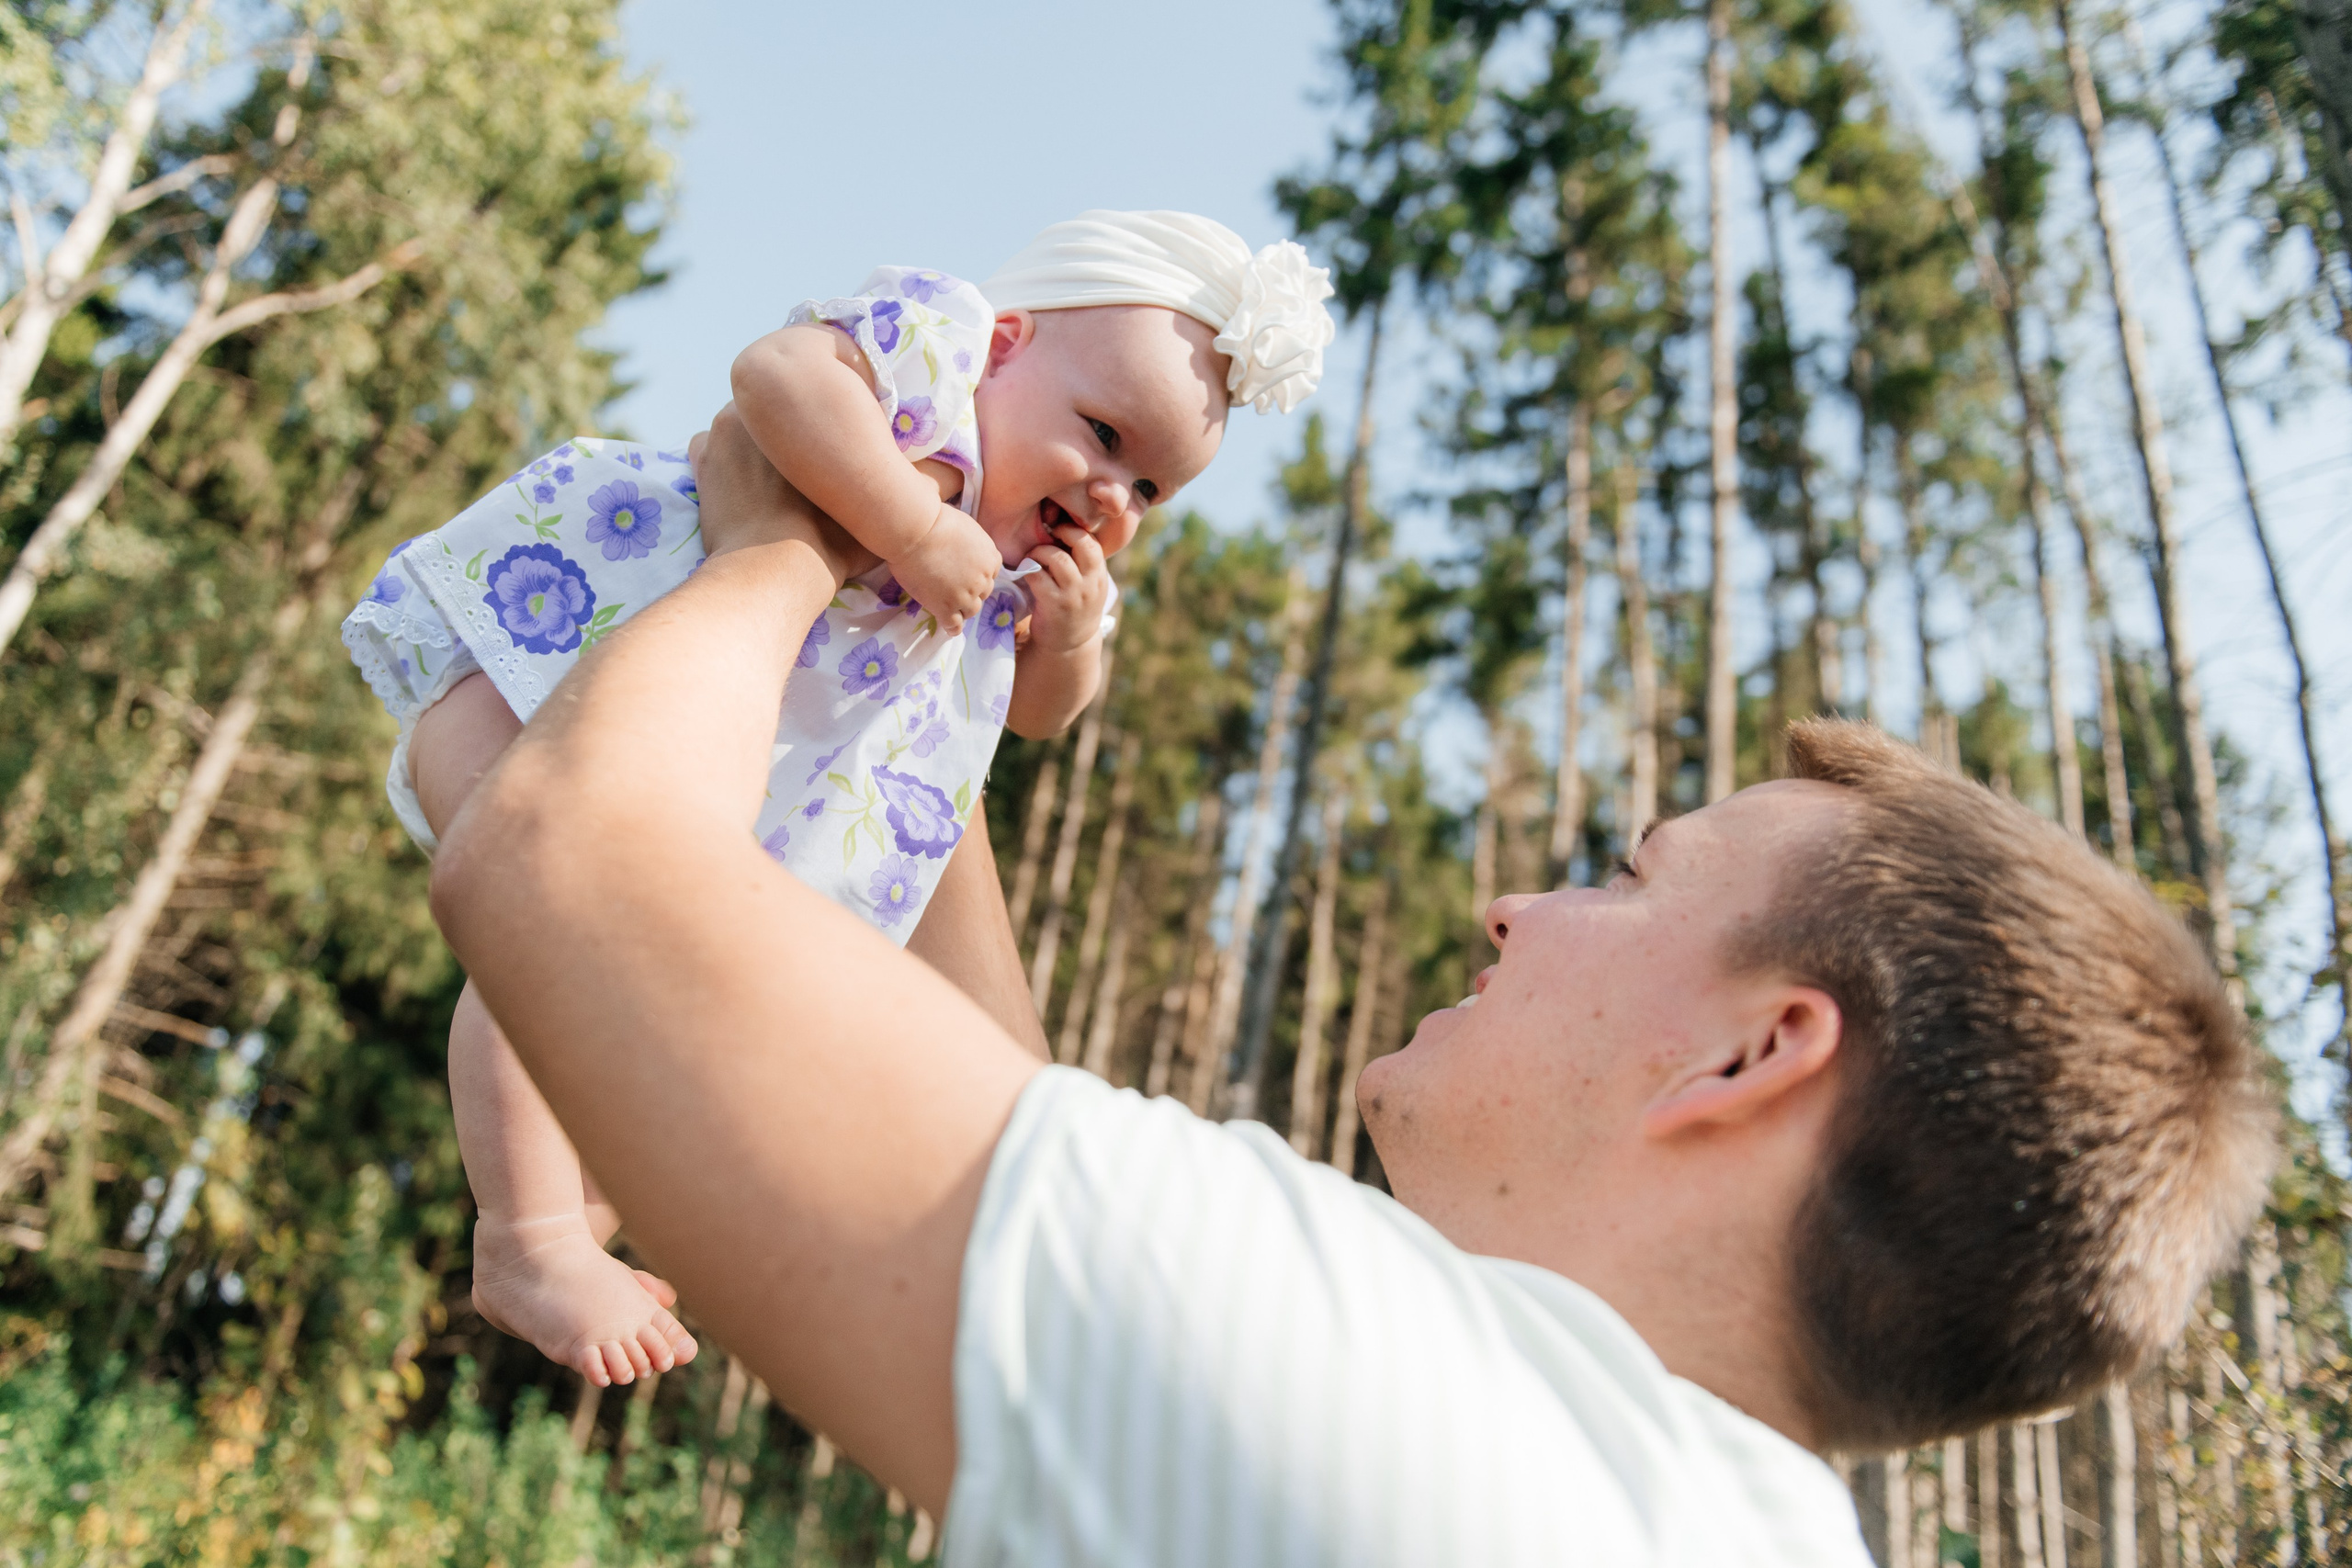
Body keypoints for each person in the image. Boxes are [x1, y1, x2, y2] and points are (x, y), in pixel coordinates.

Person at [425, 414, 2276, 1566]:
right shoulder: (1643, 1508)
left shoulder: (1425, 1437)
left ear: (1752, 1048)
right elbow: (999, 1114)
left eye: (1622, 878)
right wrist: (930, 696)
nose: (1506, 908)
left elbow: (567, 853)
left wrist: (774, 540)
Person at [338, 211, 1338, 1388]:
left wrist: (1068, 643)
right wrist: (910, 522)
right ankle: (530, 1236)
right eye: (1104, 434)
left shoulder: (1040, 568)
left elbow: (1039, 715)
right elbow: (772, 377)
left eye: (1151, 487)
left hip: (734, 762)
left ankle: (569, 1216)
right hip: (579, 639)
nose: (1113, 495)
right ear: (1006, 343)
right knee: (555, 911)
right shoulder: (938, 358)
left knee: (621, 1009)